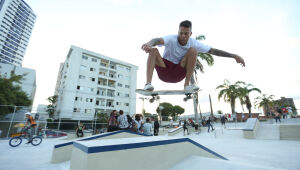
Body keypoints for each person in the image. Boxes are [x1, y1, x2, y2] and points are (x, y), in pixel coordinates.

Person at [141, 20, 245, 91]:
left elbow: (213, 51)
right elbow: (156, 40)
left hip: (178, 72)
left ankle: (187, 85)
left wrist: (233, 56)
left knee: (193, 51)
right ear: (178, 32)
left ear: (190, 34)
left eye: (186, 34)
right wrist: (148, 44)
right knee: (153, 51)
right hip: (164, 70)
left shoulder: (193, 42)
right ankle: (148, 84)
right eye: (181, 33)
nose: (183, 36)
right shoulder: (171, 38)